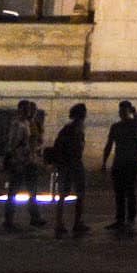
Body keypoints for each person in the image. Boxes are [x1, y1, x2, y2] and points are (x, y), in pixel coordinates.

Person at [48, 102, 90, 238]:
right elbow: (63, 147)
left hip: (73, 163)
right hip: (69, 164)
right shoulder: (71, 129)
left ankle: (74, 222)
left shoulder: (75, 128)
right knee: (67, 193)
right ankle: (61, 223)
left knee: (77, 193)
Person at [0, 100, 44, 230]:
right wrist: (14, 158)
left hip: (29, 160)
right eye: (25, 109)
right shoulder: (17, 124)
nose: (28, 112)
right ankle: (9, 220)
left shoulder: (28, 123)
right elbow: (12, 143)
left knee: (32, 191)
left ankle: (35, 217)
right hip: (19, 161)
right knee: (13, 191)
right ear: (19, 110)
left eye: (29, 109)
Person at [102, 101, 137, 234]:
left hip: (130, 163)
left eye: (124, 111)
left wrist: (135, 114)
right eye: (120, 111)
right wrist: (104, 161)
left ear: (129, 111)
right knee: (119, 192)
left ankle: (130, 220)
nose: (121, 114)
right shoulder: (115, 126)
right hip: (119, 162)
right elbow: (109, 144)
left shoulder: (134, 125)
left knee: (130, 192)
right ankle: (120, 219)